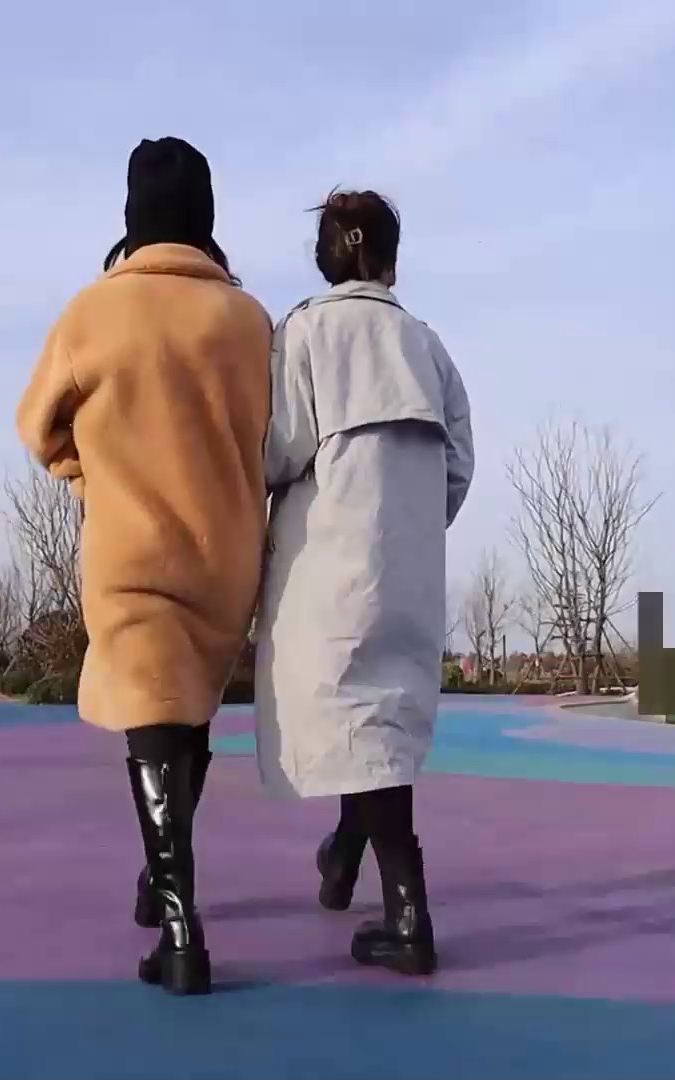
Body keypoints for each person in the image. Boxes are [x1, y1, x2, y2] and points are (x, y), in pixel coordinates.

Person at [14, 137, 272, 997]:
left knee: (154, 718)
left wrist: (91, 471)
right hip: (226, 554)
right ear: (206, 218)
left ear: (131, 219)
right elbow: (277, 439)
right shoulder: (248, 321)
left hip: (131, 548)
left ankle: (180, 927)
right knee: (188, 717)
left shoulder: (93, 313)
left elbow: (38, 427)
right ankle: (160, 880)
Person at [257, 189, 473, 976]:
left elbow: (277, 450)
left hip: (329, 558)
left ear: (325, 257)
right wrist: (411, 522)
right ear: (392, 261)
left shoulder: (304, 333)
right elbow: (459, 464)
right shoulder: (427, 345)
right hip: (409, 562)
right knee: (380, 712)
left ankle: (409, 914)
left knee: (350, 704)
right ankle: (346, 852)